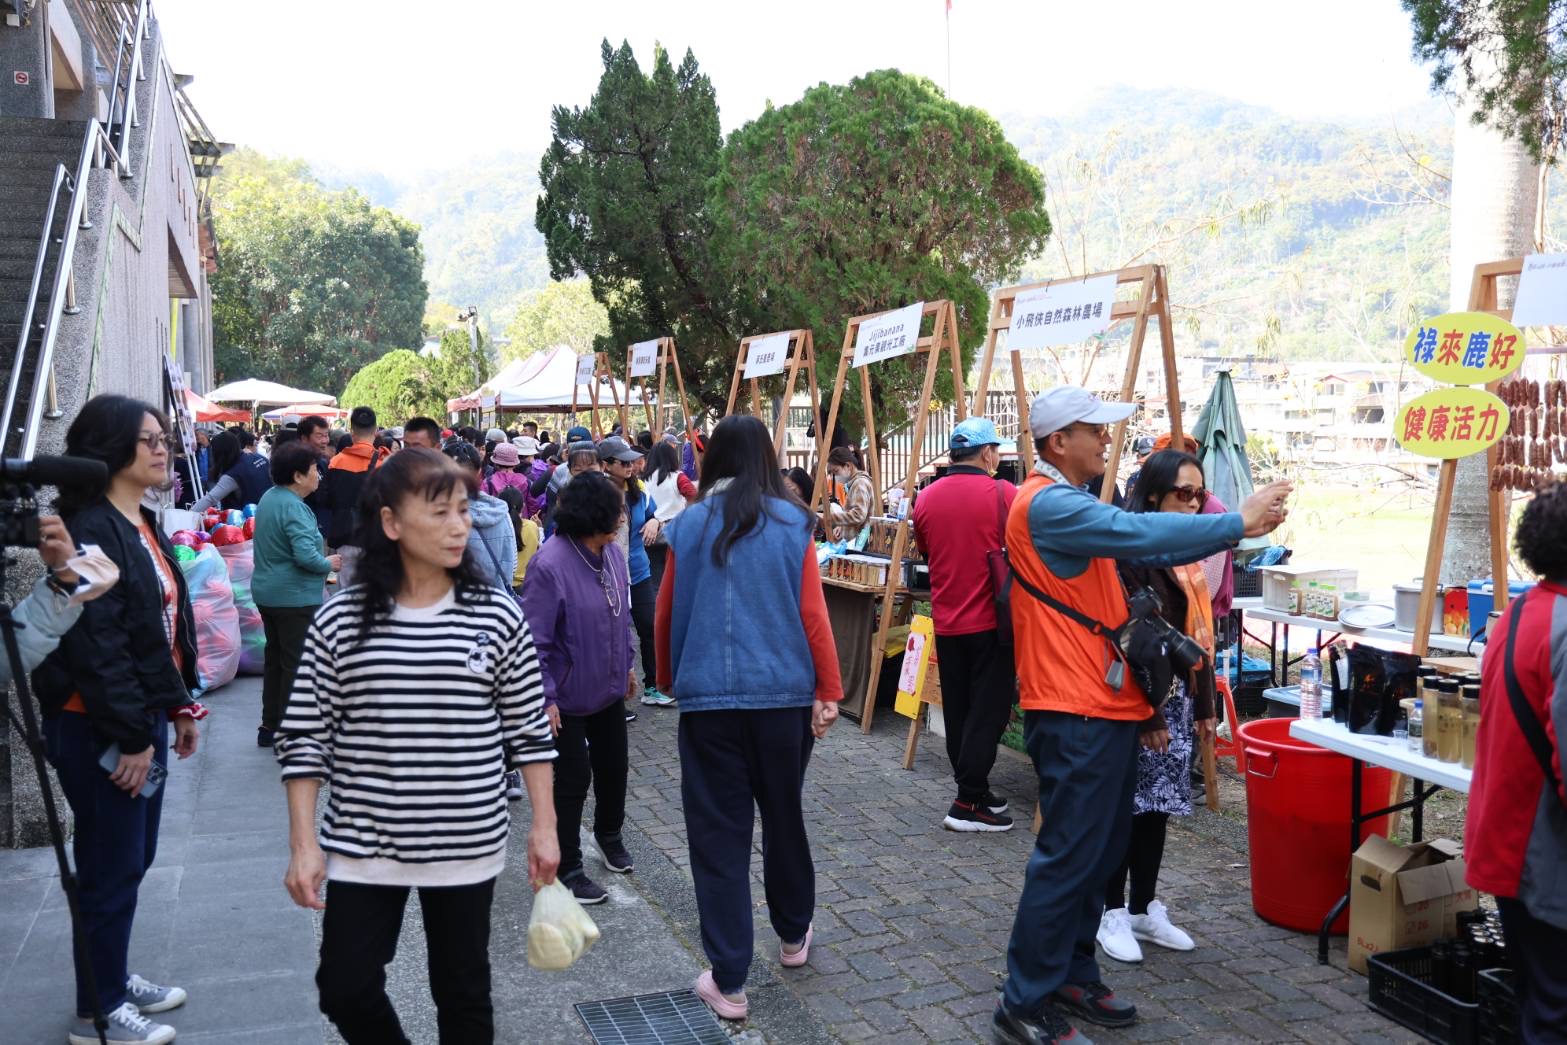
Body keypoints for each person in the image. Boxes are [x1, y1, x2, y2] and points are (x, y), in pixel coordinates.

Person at [994, 386, 1289, 1045]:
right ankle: (1024, 1000)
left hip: (1098, 704)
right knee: (1069, 857)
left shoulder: (1066, 501)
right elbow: (1137, 532)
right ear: (1056, 442)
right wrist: (1233, 524)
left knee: (1095, 854)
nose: (1107, 439)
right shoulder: (1048, 504)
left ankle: (1070, 974)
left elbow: (1145, 544)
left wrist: (1228, 526)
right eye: (1093, 430)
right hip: (1075, 708)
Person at [276, 447, 559, 1045]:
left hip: (466, 839)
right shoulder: (342, 620)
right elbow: (304, 736)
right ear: (391, 522)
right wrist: (303, 844)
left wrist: (545, 826)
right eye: (439, 512)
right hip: (364, 841)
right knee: (345, 987)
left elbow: (529, 730)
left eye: (464, 510)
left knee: (462, 992)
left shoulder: (495, 615)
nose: (459, 526)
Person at [654, 415, 842, 1022]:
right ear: (766, 457)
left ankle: (729, 980)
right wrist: (829, 688)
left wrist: (667, 676)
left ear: (713, 460)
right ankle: (793, 934)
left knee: (718, 837)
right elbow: (813, 613)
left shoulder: (688, 525)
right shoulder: (793, 523)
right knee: (784, 815)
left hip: (708, 702)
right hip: (783, 699)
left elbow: (666, 612)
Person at [35, 395, 206, 1045]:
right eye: (148, 440)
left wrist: (177, 703)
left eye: (164, 438)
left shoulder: (138, 521)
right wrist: (133, 736)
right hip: (98, 725)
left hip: (137, 718)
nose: (163, 449)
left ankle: (112, 976)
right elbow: (97, 644)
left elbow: (154, 630)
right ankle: (98, 1011)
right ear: (110, 449)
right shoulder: (90, 527)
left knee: (131, 860)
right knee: (110, 866)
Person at [1095, 450, 1218, 965]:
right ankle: (1110, 910)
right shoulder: (1129, 552)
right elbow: (1125, 640)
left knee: (1157, 808)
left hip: (1177, 700)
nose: (1193, 505)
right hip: (1138, 703)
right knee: (1124, 808)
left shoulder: (1183, 554)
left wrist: (1204, 702)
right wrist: (1147, 714)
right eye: (1182, 494)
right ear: (1152, 496)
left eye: (1199, 495)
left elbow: (1197, 636)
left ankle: (1144, 906)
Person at [1466, 483, 1567, 1043]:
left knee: (1538, 1002)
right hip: (1546, 856)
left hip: (1505, 840)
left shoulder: (1521, 609)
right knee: (1554, 1013)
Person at [520, 472, 636, 905]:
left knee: (614, 767)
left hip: (607, 686)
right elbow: (534, 640)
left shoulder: (612, 554)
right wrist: (545, 696)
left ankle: (610, 835)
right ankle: (568, 866)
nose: (622, 518)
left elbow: (621, 614)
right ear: (593, 515)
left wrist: (627, 664)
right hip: (565, 697)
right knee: (571, 780)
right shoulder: (550, 564)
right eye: (616, 511)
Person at [911, 417, 1018, 831]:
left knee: (959, 709)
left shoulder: (925, 498)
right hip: (992, 621)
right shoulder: (1003, 493)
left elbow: (927, 551)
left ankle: (974, 789)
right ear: (987, 452)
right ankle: (966, 802)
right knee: (988, 711)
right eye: (997, 450)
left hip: (947, 619)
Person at [252, 443, 343, 749]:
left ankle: (271, 725)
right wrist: (328, 563)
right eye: (315, 470)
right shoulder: (294, 507)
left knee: (276, 661)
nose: (319, 475)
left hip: (269, 593)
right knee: (296, 665)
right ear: (298, 476)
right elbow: (306, 557)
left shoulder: (270, 497)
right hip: (294, 598)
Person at [599, 436, 666, 707]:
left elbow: (655, 514)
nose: (630, 466)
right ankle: (614, 696)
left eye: (631, 462)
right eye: (623, 462)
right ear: (606, 465)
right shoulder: (597, 493)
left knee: (649, 627)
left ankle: (652, 686)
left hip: (639, 571)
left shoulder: (638, 490)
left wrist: (655, 522)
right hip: (606, 575)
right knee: (614, 634)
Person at [323, 407, 388, 588]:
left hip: (345, 537)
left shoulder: (335, 462)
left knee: (347, 592)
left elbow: (327, 499)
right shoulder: (384, 463)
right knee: (375, 591)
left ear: (352, 432)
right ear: (375, 431)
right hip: (375, 539)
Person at [442, 441, 517, 593]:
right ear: (479, 471)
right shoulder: (501, 512)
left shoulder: (438, 517)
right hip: (495, 600)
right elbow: (512, 564)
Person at [641, 440, 696, 596]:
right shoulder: (677, 477)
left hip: (649, 534)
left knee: (655, 580)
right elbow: (693, 495)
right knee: (676, 578)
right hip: (675, 533)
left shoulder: (642, 480)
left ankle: (656, 607)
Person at [190, 429, 271, 512]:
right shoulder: (260, 458)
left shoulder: (233, 474)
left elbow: (211, 498)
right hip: (271, 509)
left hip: (250, 516)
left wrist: (189, 514)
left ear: (219, 453)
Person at [822, 445, 874, 543]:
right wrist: (843, 527)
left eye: (836, 471)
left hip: (860, 542)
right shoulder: (854, 483)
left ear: (848, 466)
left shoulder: (860, 483)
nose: (834, 476)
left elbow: (858, 515)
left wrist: (830, 518)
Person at [482, 441, 542, 519]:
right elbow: (533, 506)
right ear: (515, 464)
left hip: (496, 523)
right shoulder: (527, 482)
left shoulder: (487, 483)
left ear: (495, 463)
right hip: (521, 523)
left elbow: (483, 507)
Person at [297, 415, 335, 537]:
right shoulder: (295, 465)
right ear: (304, 438)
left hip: (324, 529)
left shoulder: (324, 462)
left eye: (326, 435)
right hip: (305, 531)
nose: (325, 441)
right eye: (319, 436)